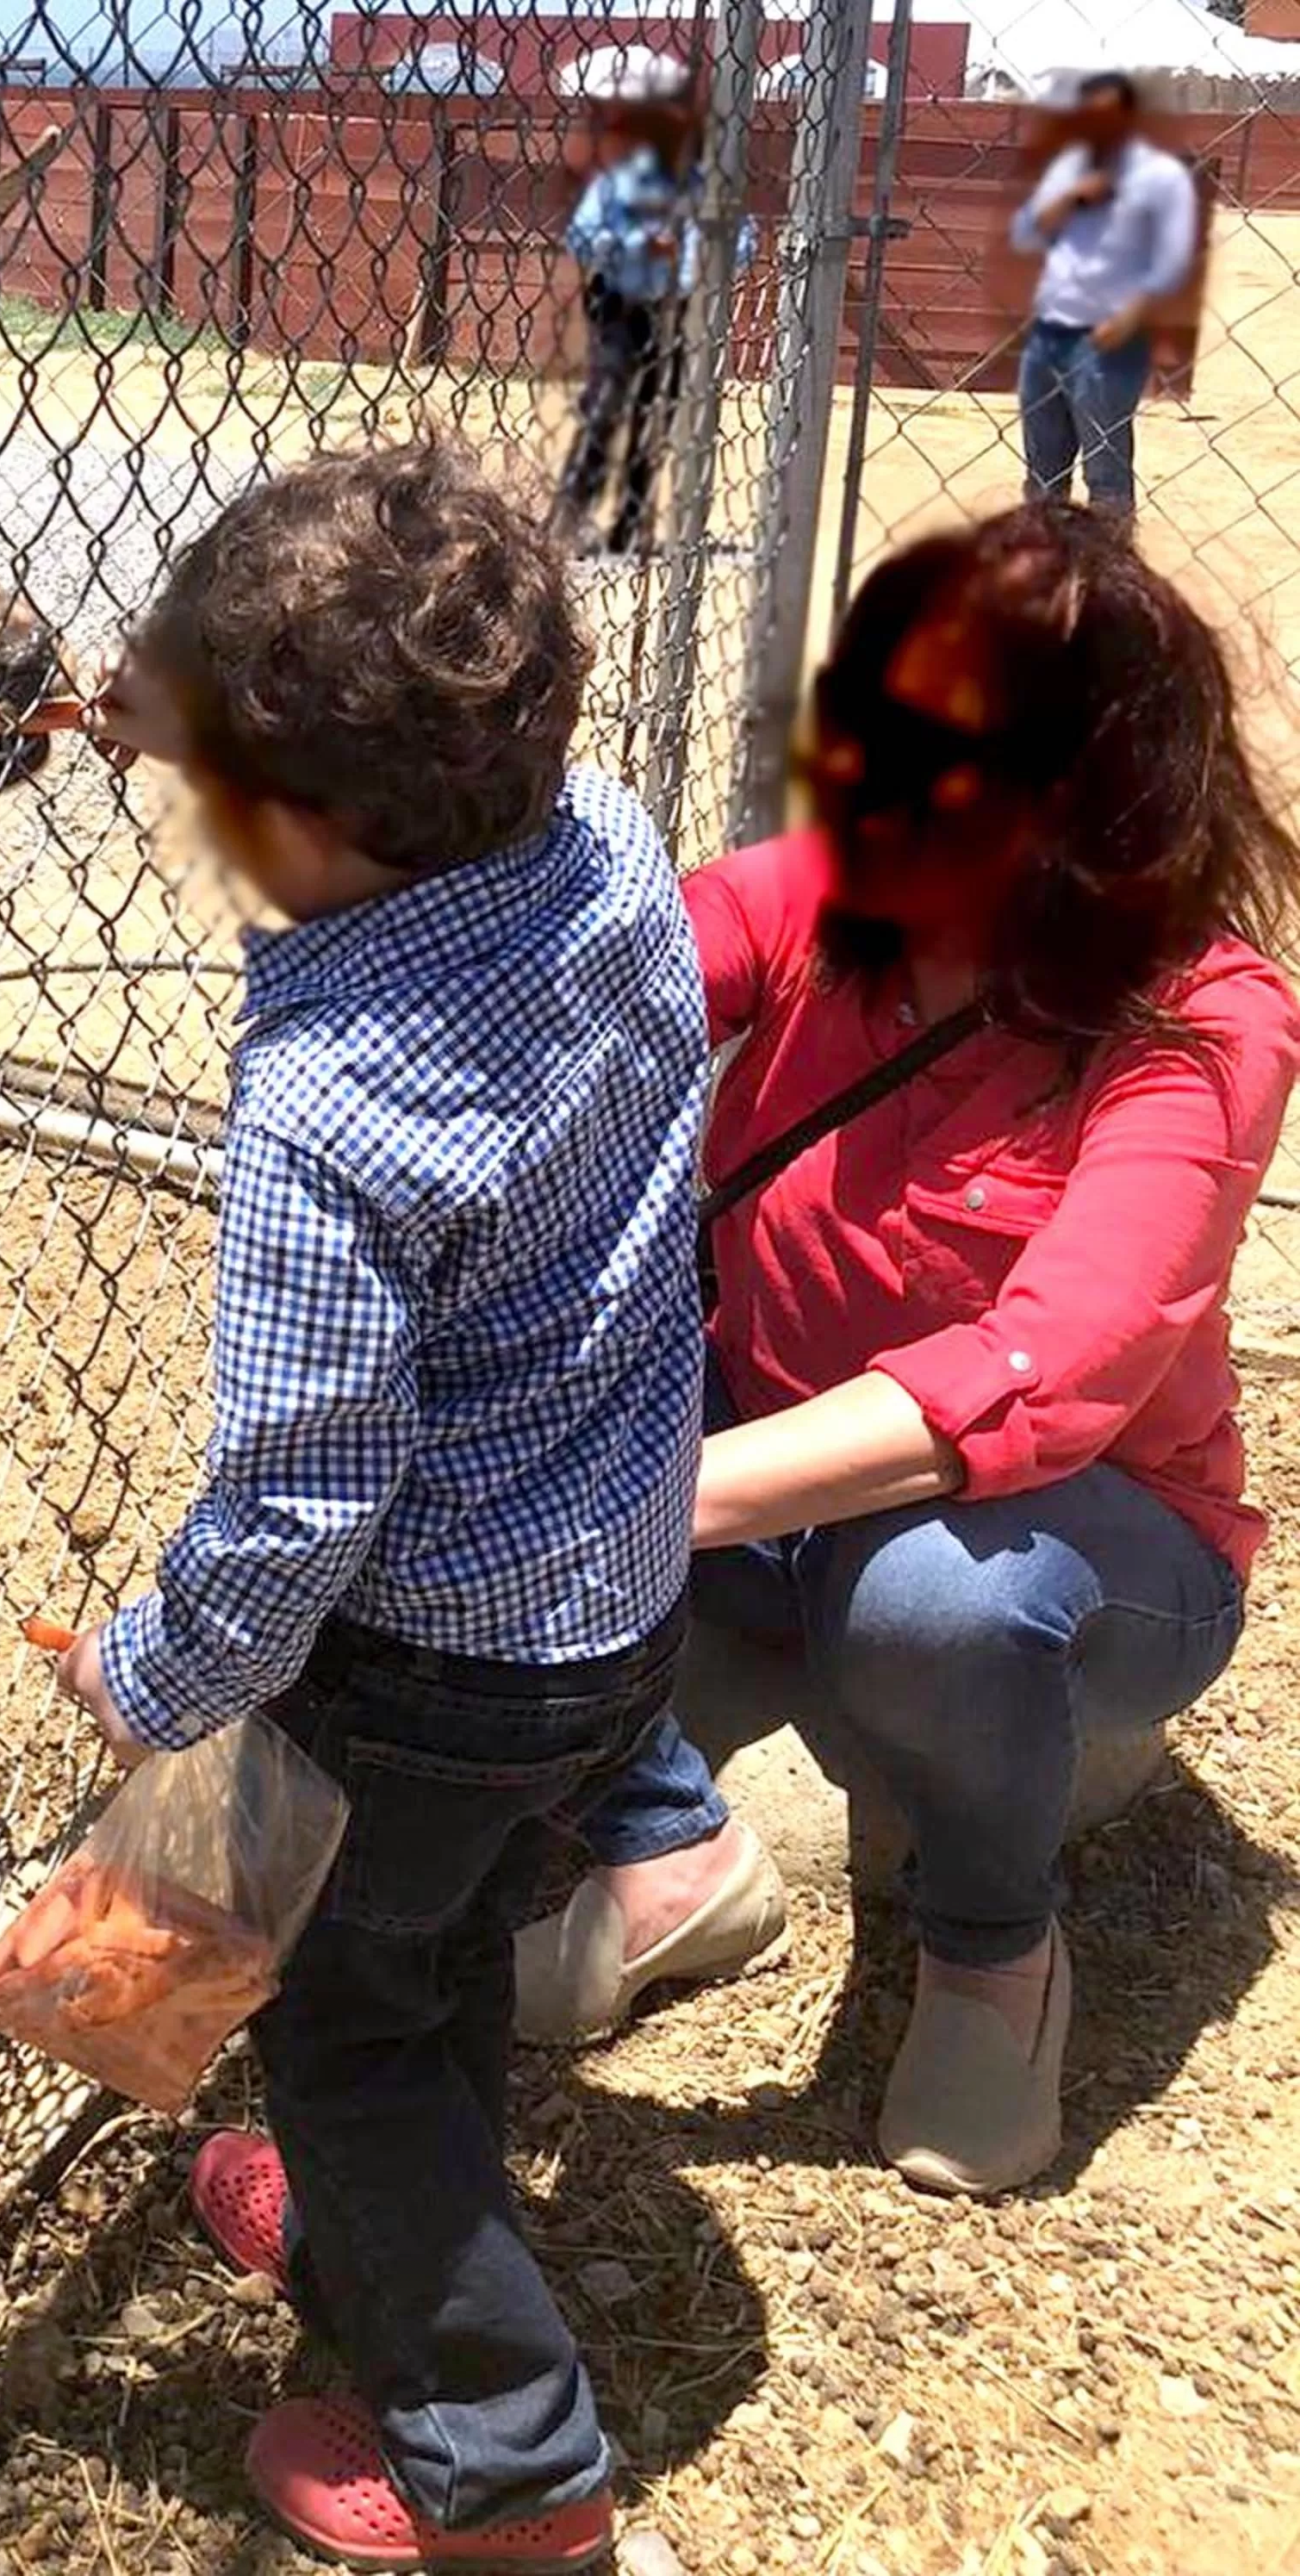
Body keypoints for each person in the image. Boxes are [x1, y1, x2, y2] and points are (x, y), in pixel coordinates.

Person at [63, 445, 709, 2572]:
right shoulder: (602, 846)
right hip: (610, 1609)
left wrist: (149, 1679)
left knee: (342, 2025)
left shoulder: (332, 1107)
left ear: (306, 827)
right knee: (422, 1964)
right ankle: (371, 2247)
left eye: (212, 807)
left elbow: (294, 1499)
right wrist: (162, 702)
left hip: (414, 1664)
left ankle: (510, 2474)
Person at [513, 502, 1300, 2202]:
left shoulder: (1205, 1010)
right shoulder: (837, 892)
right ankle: (670, 1854)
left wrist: (646, 1501)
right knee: (508, 1425)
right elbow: (618, 949)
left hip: (1084, 1524)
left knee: (932, 1607)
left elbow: (1064, 1357)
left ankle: (994, 1949)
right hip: (768, 1457)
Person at [555, 82, 751, 558]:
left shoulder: (708, 190)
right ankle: (568, 521)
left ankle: (629, 524)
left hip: (679, 312)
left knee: (655, 416)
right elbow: (583, 238)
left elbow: (743, 243)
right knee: (603, 408)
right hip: (622, 307)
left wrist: (700, 257)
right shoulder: (621, 183)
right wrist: (640, 245)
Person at [1010, 71, 1197, 519]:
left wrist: (1129, 319)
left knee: (1107, 475)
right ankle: (1048, 565)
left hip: (1110, 339)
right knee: (1042, 474)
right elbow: (1025, 236)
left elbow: (1174, 263)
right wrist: (1073, 196)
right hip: (1049, 333)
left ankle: (1109, 573)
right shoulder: (1069, 169)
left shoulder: (1161, 177)